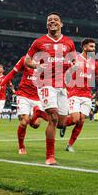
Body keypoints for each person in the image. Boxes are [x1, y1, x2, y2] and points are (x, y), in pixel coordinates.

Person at [24, 12, 76, 165]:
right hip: (45, 82)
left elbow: (72, 61)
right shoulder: (39, 42)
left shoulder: (69, 43)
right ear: (47, 25)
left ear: (61, 24)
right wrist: (36, 65)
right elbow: (27, 60)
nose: (53, 21)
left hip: (62, 86)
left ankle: (39, 112)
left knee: (61, 122)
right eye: (49, 20)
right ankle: (50, 157)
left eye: (56, 20)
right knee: (53, 117)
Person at [59, 38, 98, 152]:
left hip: (86, 95)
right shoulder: (75, 59)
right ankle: (62, 124)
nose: (94, 49)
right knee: (74, 119)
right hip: (74, 93)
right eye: (91, 46)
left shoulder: (95, 63)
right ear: (84, 47)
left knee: (81, 120)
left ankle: (69, 145)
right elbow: (64, 73)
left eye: (94, 47)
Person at [0, 55, 48, 155]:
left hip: (38, 97)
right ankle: (21, 146)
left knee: (36, 125)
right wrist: (1, 85)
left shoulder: (46, 63)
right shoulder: (25, 59)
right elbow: (12, 73)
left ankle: (36, 113)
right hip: (23, 95)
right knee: (24, 121)